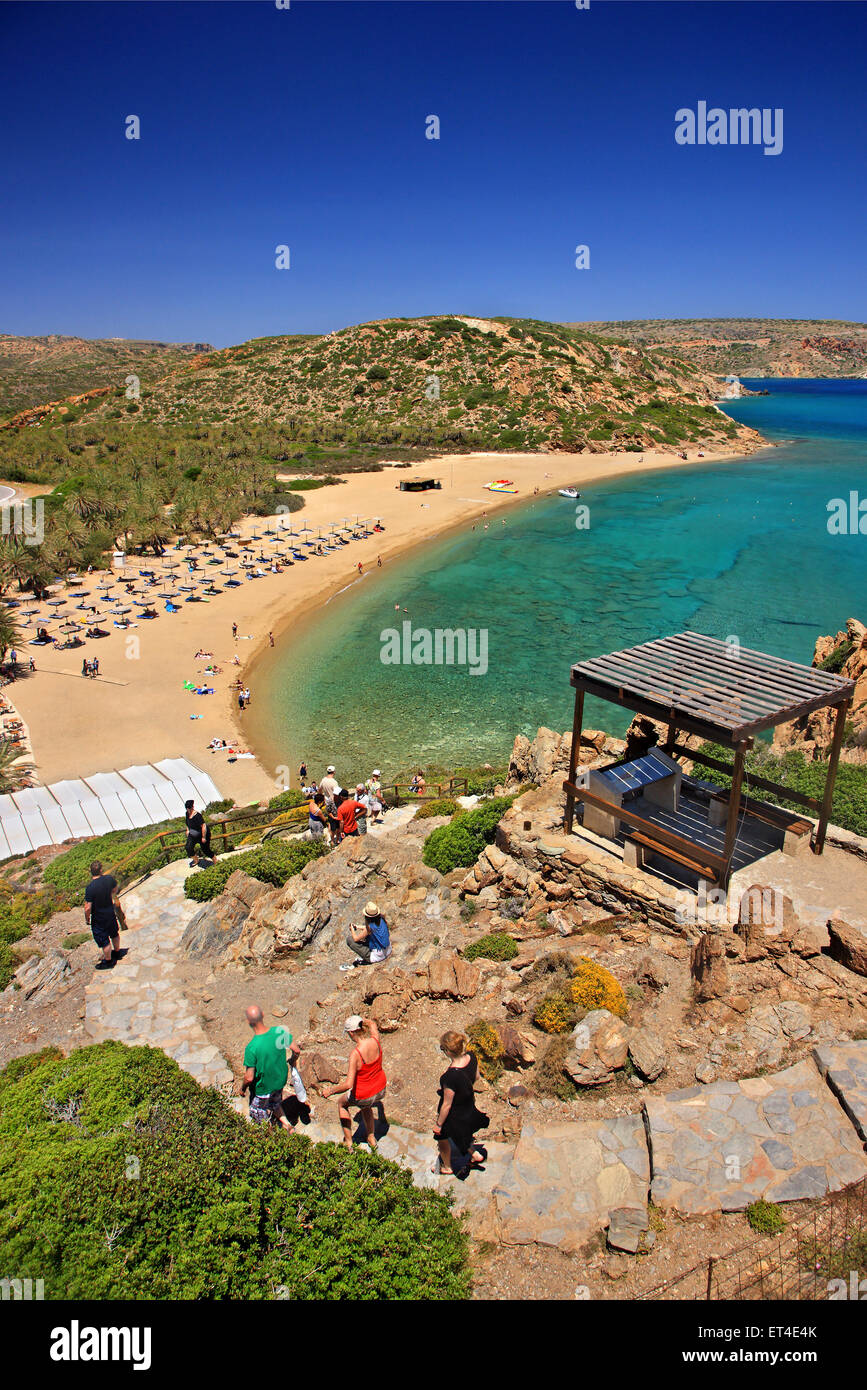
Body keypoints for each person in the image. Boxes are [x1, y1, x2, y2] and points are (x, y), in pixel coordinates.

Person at [322, 1016, 387, 1151]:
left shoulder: (355, 1054)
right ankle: (371, 1138)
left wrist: (331, 1091)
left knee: (342, 1104)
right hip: (380, 1089)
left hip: (364, 1094)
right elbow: (373, 1024)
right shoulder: (375, 1039)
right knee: (366, 1106)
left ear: (351, 1033)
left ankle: (349, 1142)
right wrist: (362, 1021)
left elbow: (348, 1084)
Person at [433, 1031, 489, 1177]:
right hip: (468, 1104)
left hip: (454, 1113)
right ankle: (474, 1154)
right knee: (461, 1133)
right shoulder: (472, 1057)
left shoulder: (450, 1076)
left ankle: (446, 1166)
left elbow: (447, 1105)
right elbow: (476, 1076)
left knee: (442, 1137)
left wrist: (438, 1125)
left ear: (448, 1051)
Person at [240, 1006, 305, 1131]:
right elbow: (296, 1050)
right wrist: (293, 1060)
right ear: (263, 1015)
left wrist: (242, 1089)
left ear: (248, 1022)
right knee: (275, 1103)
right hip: (279, 1081)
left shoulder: (252, 1047)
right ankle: (288, 1126)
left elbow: (249, 1077)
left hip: (262, 1089)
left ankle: (271, 1138)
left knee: (260, 1116)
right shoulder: (279, 1032)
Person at [84, 860, 127, 970]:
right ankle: (117, 952)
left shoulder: (90, 888)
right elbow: (115, 889)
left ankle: (108, 961)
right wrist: (111, 894)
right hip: (110, 912)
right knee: (114, 933)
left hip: (98, 917)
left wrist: (87, 918)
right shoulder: (108, 879)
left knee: (104, 940)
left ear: (91, 872)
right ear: (101, 870)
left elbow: (88, 907)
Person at [343, 901, 391, 968]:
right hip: (388, 950)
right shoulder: (381, 919)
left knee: (350, 940)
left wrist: (352, 930)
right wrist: (357, 926)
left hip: (377, 956)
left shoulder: (369, 927)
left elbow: (355, 939)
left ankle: (367, 959)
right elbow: (369, 929)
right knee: (365, 929)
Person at [184, 799, 214, 866]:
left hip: (202, 833)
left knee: (206, 850)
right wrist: (188, 830)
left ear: (192, 807)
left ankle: (215, 861)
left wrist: (203, 837)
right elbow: (187, 823)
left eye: (189, 808)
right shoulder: (187, 813)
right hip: (193, 833)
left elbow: (203, 826)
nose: (188, 810)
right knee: (188, 847)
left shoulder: (197, 815)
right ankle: (196, 860)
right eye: (187, 809)